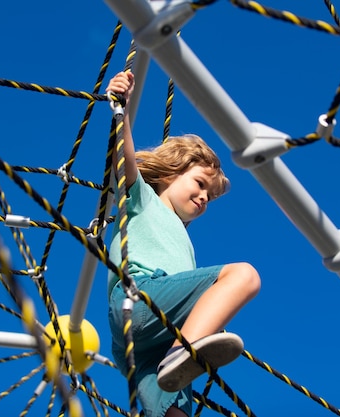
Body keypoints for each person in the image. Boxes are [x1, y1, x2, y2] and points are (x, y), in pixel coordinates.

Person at [106, 71, 261, 417]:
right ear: (169, 173)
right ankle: (184, 350)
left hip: (150, 344)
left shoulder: (183, 238)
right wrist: (122, 111)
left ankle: (182, 350)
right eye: (200, 184)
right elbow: (125, 162)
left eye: (211, 197)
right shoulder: (141, 199)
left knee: (175, 412)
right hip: (140, 297)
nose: (205, 197)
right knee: (244, 276)